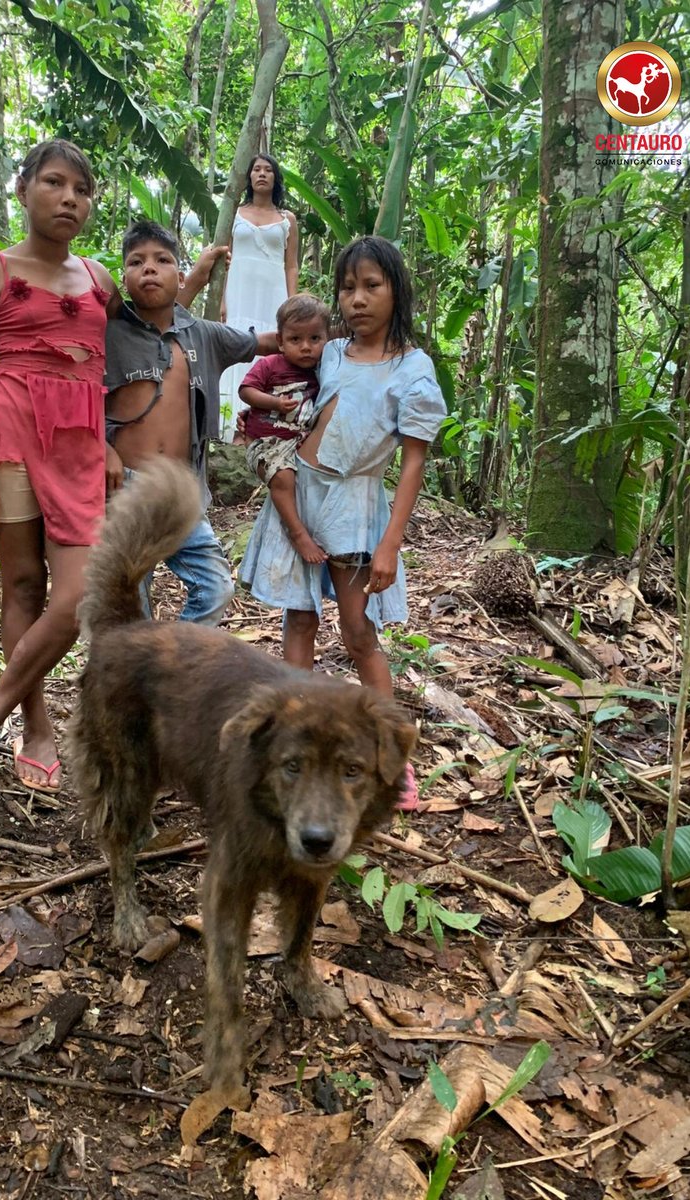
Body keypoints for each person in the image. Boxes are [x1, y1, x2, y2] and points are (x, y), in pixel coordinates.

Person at [0, 142, 222, 791]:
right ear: (23, 190)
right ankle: (34, 727)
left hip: (79, 445)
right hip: (9, 432)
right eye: (55, 183)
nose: (69, 198)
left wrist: (197, 276)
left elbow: (154, 315)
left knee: (78, 597)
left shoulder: (99, 281)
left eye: (82, 189)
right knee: (23, 587)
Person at [240, 236, 447, 810]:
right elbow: (279, 351)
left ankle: (393, 757)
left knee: (358, 632)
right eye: (348, 287)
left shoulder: (413, 370)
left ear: (396, 290)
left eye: (371, 286)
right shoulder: (329, 351)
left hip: (355, 508)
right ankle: (294, 743)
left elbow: (412, 463)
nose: (357, 299)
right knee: (299, 620)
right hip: (301, 495)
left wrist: (390, 543)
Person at [104, 220, 279, 623]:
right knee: (130, 605)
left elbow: (266, 342)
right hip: (126, 488)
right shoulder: (110, 333)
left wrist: (332, 337)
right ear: (124, 279)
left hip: (181, 490)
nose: (149, 268)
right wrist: (101, 448)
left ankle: (175, 654)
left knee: (216, 587)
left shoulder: (203, 334)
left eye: (162, 260)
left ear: (180, 277)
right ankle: (140, 662)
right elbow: (81, 397)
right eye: (136, 262)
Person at [240, 293, 329, 564]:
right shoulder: (270, 364)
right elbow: (246, 390)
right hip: (267, 442)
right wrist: (274, 403)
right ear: (280, 341)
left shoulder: (324, 370)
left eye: (315, 338)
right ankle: (297, 532)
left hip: (299, 444)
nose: (306, 347)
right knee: (283, 478)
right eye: (295, 339)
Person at [217, 154, 298, 441]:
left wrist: (292, 303)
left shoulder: (287, 220)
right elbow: (224, 258)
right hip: (239, 291)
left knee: (269, 347)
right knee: (237, 343)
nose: (262, 174)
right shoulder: (234, 214)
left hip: (273, 294)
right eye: (256, 169)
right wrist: (222, 298)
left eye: (268, 170)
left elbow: (291, 265)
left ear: (276, 177)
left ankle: (262, 426)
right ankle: (230, 428)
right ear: (248, 176)